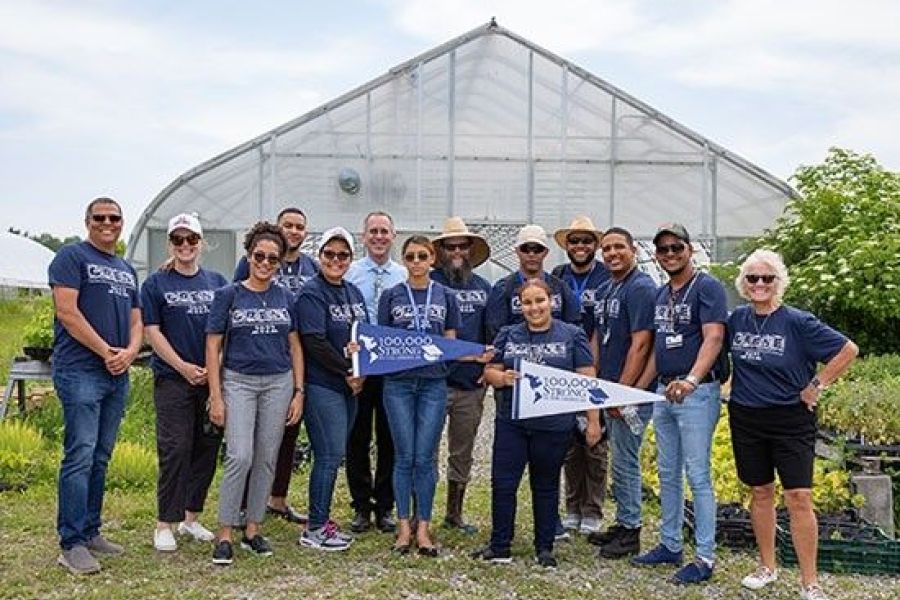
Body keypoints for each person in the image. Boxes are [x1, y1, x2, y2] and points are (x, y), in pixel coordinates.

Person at [728, 249, 857, 600]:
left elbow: (848, 350)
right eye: (752, 278)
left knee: (799, 497)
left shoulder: (798, 321)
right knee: (760, 491)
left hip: (790, 419)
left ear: (778, 282)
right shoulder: (736, 319)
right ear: (743, 282)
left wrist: (817, 386)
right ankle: (767, 567)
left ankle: (809, 583)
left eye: (766, 278)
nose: (759, 284)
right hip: (746, 416)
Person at [474, 279, 598, 568]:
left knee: (545, 485)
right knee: (503, 484)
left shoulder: (572, 335)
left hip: (553, 425)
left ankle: (544, 548)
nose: (534, 308)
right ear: (520, 306)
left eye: (539, 301)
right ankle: (500, 545)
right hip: (512, 422)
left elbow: (587, 378)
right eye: (527, 303)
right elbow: (489, 371)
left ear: (551, 301)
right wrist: (501, 378)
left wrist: (593, 420)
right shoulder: (508, 334)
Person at [50, 197, 142, 575]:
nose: (108, 223)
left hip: (116, 373)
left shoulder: (125, 268)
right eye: (100, 218)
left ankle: (90, 531)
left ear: (122, 223)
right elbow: (67, 313)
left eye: (114, 218)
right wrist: (106, 350)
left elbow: (137, 320)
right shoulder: (71, 258)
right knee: (80, 454)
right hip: (81, 370)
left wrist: (131, 353)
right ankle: (70, 543)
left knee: (101, 456)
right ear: (87, 221)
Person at [631, 223, 727, 583]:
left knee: (698, 474)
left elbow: (714, 337)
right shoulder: (660, 295)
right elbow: (658, 348)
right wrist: (644, 390)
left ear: (689, 250)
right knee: (668, 472)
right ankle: (670, 544)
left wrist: (692, 379)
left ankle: (704, 558)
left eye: (676, 248)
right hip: (663, 392)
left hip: (696, 394)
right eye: (664, 250)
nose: (670, 254)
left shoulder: (707, 287)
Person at [206, 222, 304, 565]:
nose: (265, 263)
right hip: (239, 381)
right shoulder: (229, 295)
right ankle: (225, 533)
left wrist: (298, 392)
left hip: (278, 382)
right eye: (259, 256)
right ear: (248, 256)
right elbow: (213, 344)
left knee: (266, 457)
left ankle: (252, 529)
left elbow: (295, 346)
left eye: (272, 259)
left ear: (280, 263)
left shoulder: (286, 298)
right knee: (239, 455)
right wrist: (215, 395)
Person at [141, 213, 227, 552]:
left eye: (191, 239)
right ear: (170, 244)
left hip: (210, 380)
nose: (186, 246)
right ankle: (165, 522)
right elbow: (152, 331)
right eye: (178, 240)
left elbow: (224, 332)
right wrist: (182, 367)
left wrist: (213, 367)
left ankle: (191, 518)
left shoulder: (217, 281)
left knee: (206, 447)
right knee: (175, 448)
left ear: (201, 242)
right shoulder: (156, 284)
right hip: (172, 379)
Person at [377, 235, 468, 556]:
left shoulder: (445, 296)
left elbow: (451, 341)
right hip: (398, 385)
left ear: (433, 260)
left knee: (425, 458)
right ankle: (404, 528)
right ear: (404, 261)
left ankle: (425, 529)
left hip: (433, 384)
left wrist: (475, 354)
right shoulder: (391, 296)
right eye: (411, 256)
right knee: (404, 457)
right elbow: (382, 341)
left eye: (422, 256)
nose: (416, 262)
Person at [234, 207, 318, 524]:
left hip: (296, 356)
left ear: (305, 234)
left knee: (287, 433)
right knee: (252, 439)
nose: (293, 231)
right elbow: (235, 299)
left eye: (299, 227)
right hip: (257, 357)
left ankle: (278, 499)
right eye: (288, 225)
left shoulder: (312, 267)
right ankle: (243, 503)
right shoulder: (254, 260)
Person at [586, 227, 657, 560]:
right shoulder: (605, 288)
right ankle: (623, 521)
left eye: (619, 248)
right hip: (609, 388)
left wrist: (621, 393)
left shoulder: (641, 288)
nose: (612, 253)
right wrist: (596, 383)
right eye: (607, 249)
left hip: (630, 394)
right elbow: (600, 339)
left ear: (634, 251)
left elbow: (641, 344)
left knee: (626, 462)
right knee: (618, 460)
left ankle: (631, 531)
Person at [296, 227, 367, 551]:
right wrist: (347, 371)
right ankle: (314, 527)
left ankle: (322, 521)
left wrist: (361, 370)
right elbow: (314, 343)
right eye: (329, 254)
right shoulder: (312, 292)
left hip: (349, 385)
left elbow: (362, 337)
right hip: (324, 384)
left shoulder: (353, 291)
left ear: (351, 259)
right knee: (329, 455)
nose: (335, 260)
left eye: (343, 255)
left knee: (334, 453)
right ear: (320, 256)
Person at [344, 211, 406, 533]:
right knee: (356, 435)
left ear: (393, 236)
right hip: (359, 365)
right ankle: (360, 506)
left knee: (389, 436)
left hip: (392, 366)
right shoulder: (351, 273)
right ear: (364, 236)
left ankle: (385, 505)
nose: (379, 237)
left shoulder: (404, 275)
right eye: (373, 231)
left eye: (385, 231)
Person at [429, 217, 492, 534]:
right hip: (433, 382)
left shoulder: (483, 288)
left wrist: (489, 367)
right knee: (425, 448)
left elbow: (493, 333)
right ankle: (421, 512)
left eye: (461, 246)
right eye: (449, 246)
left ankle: (455, 512)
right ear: (439, 251)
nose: (456, 251)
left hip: (470, 384)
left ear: (470, 250)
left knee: (462, 451)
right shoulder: (428, 285)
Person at [551, 216, 611, 536]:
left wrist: (593, 361)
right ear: (567, 246)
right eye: (574, 241)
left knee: (595, 436)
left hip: (595, 363)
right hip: (564, 364)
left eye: (586, 241)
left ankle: (593, 508)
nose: (580, 247)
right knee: (570, 440)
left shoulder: (605, 277)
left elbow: (603, 325)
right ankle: (572, 505)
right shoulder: (557, 277)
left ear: (595, 245)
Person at [485, 224, 581, 343]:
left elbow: (573, 326)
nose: (531, 254)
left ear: (545, 252)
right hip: (516, 357)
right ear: (517, 251)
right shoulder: (503, 288)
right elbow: (494, 331)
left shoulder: (560, 287)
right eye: (525, 249)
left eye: (537, 249)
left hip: (555, 357)